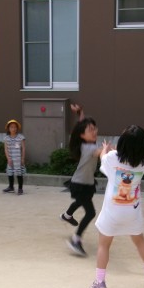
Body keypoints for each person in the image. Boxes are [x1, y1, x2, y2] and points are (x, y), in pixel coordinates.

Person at [90, 125, 144, 288]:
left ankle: (99, 281)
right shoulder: (142, 164)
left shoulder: (112, 158)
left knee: (104, 245)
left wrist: (105, 149)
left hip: (112, 212)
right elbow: (127, 160)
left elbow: (104, 159)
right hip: (132, 211)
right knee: (140, 241)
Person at [61, 103, 103, 257]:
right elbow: (101, 152)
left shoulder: (87, 143)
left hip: (86, 183)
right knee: (90, 212)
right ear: (82, 135)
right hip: (80, 184)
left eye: (95, 128)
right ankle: (76, 240)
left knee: (80, 201)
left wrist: (80, 113)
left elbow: (82, 125)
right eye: (91, 130)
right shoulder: (89, 148)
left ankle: (67, 215)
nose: (94, 131)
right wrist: (119, 149)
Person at [2, 119, 26, 195]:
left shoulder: (21, 137)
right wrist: (8, 158)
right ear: (8, 128)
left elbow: (23, 148)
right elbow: (6, 149)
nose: (13, 129)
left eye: (15, 127)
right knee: (10, 173)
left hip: (18, 159)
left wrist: (22, 158)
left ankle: (20, 188)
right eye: (11, 127)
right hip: (10, 159)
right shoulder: (6, 138)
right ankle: (11, 187)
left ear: (17, 128)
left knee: (19, 174)